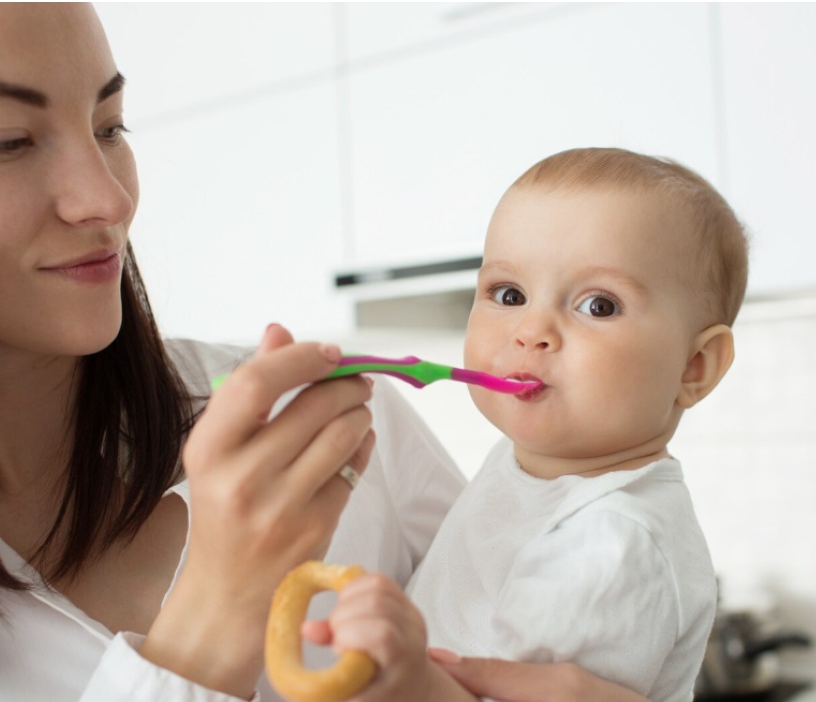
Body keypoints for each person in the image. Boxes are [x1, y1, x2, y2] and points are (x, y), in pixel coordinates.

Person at [0, 5, 653, 701]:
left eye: (110, 125)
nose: (107, 200)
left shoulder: (340, 422)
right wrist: (218, 609)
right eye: (7, 141)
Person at [313, 147, 748, 701]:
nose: (531, 329)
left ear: (694, 366)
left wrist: (408, 679)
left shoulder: (612, 540)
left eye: (598, 306)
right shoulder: (526, 467)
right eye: (509, 294)